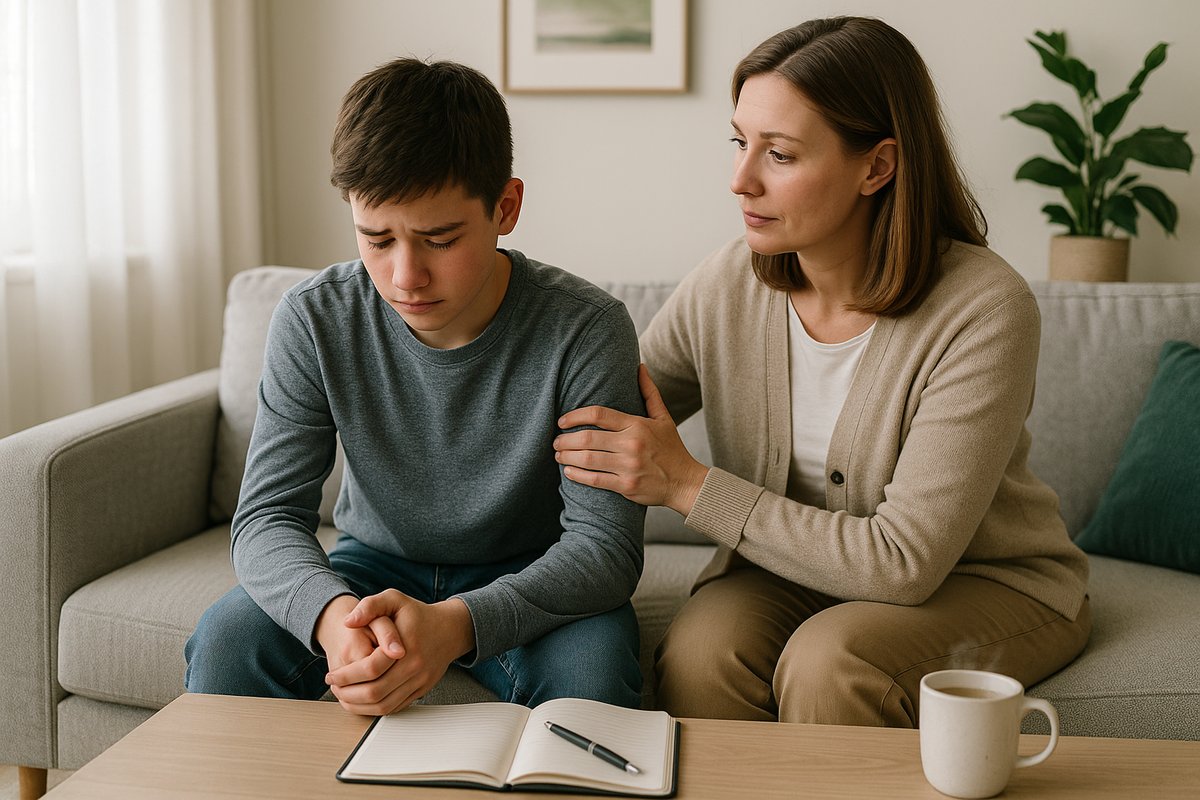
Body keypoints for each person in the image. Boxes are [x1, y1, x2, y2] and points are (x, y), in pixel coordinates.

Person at [552, 16, 1090, 727]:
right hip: (782, 576)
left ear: (877, 166)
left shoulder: (986, 309)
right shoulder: (726, 286)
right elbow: (599, 416)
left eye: (779, 155)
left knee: (833, 664)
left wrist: (686, 483)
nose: (740, 181)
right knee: (700, 654)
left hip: (981, 581)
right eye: (740, 143)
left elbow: (902, 562)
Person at [185, 58, 646, 716]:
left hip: (530, 573)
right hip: (369, 570)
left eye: (438, 239)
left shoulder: (586, 328)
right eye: (376, 239)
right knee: (228, 641)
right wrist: (333, 618)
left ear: (505, 207)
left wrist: (456, 624)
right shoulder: (314, 318)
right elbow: (265, 518)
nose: (405, 276)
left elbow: (604, 548)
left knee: (595, 678)